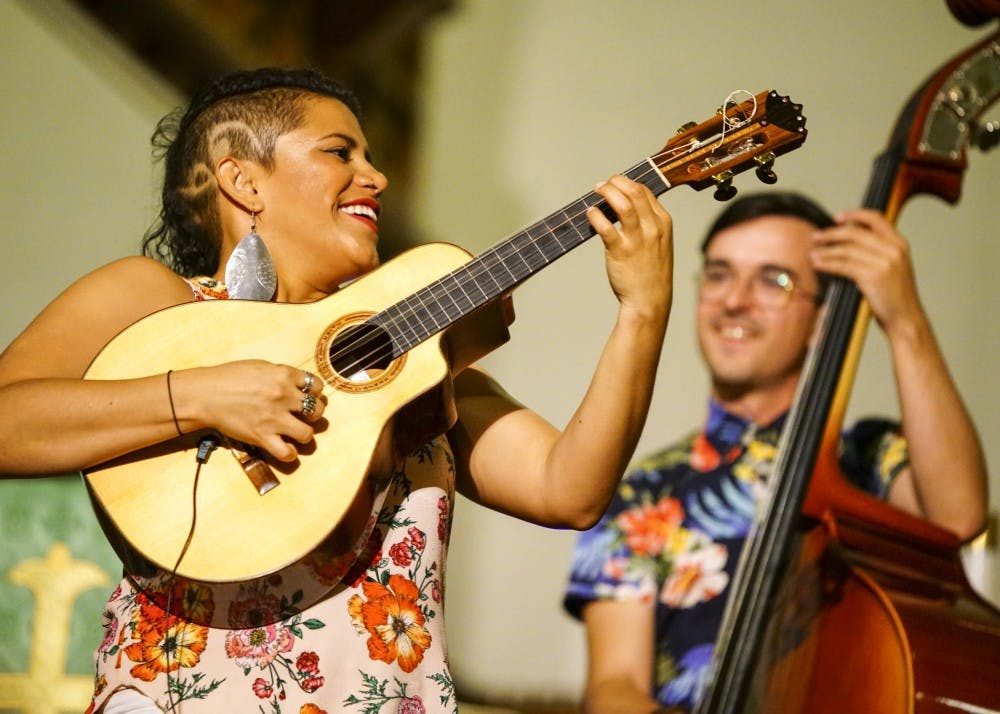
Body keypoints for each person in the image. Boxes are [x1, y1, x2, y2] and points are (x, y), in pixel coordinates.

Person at [0, 67, 674, 712]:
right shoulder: (154, 303)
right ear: (242, 180)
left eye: (370, 156)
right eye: (339, 151)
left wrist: (642, 312)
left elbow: (569, 489)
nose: (375, 176)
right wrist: (203, 396)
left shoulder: (413, 373)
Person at [563, 191, 989, 713]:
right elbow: (614, 689)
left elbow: (957, 517)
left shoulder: (869, 459)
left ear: (822, 318)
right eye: (719, 274)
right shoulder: (641, 491)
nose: (735, 300)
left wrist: (904, 321)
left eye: (774, 280)